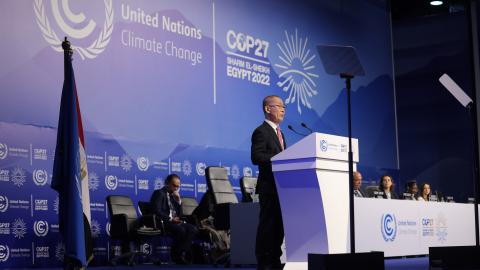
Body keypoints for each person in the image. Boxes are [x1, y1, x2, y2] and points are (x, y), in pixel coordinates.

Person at [251, 95, 286, 270]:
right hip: (269, 188)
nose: (283, 110)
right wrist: (281, 158)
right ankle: (264, 262)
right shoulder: (261, 131)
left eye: (284, 107)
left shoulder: (281, 133)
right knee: (268, 226)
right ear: (267, 109)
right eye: (279, 106)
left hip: (282, 188)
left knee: (279, 227)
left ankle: (275, 260)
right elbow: (257, 157)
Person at [150, 174, 198, 264]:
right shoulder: (159, 193)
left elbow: (179, 214)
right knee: (181, 230)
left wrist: (179, 201)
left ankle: (180, 252)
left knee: (193, 229)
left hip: (175, 222)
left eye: (178, 186)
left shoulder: (173, 196)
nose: (176, 188)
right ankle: (176, 255)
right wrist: (170, 219)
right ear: (167, 183)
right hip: (164, 222)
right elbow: (156, 210)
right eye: (174, 185)